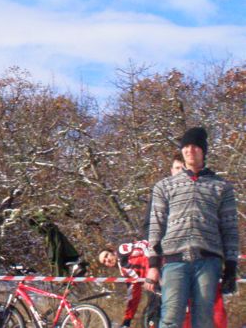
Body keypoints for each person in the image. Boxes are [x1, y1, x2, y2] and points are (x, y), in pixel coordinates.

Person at [145, 127, 239, 328]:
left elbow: (230, 229)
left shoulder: (221, 187)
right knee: (170, 318)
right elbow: (155, 227)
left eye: (195, 146)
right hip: (174, 261)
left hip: (208, 261)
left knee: (204, 320)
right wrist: (153, 264)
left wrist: (231, 267)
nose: (189, 150)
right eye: (186, 147)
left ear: (203, 151)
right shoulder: (164, 186)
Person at [98, 241, 158, 327]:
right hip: (154, 284)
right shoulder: (124, 272)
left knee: (154, 313)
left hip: (159, 269)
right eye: (104, 262)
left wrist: (153, 265)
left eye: (106, 255)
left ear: (112, 251)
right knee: (149, 317)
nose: (107, 260)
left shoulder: (121, 251)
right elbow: (133, 293)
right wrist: (127, 319)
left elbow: (144, 245)